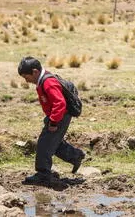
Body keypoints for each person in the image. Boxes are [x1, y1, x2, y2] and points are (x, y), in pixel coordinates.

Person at [17, 56, 85, 184]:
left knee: (44, 144)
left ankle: (43, 174)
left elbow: (60, 104)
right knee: (54, 142)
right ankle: (75, 156)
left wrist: (53, 122)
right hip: (56, 115)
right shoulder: (42, 80)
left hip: (59, 116)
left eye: (27, 77)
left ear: (35, 72)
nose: (26, 81)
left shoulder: (48, 82)